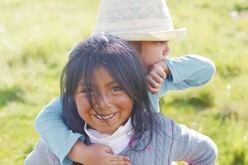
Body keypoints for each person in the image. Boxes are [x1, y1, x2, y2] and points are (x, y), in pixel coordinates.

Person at [26, 0, 216, 164]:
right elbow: (45, 119)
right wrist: (81, 153)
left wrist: (167, 68)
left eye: (116, 89)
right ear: (128, 47)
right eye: (160, 41)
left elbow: (206, 70)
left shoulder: (151, 79)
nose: (167, 50)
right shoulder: (87, 88)